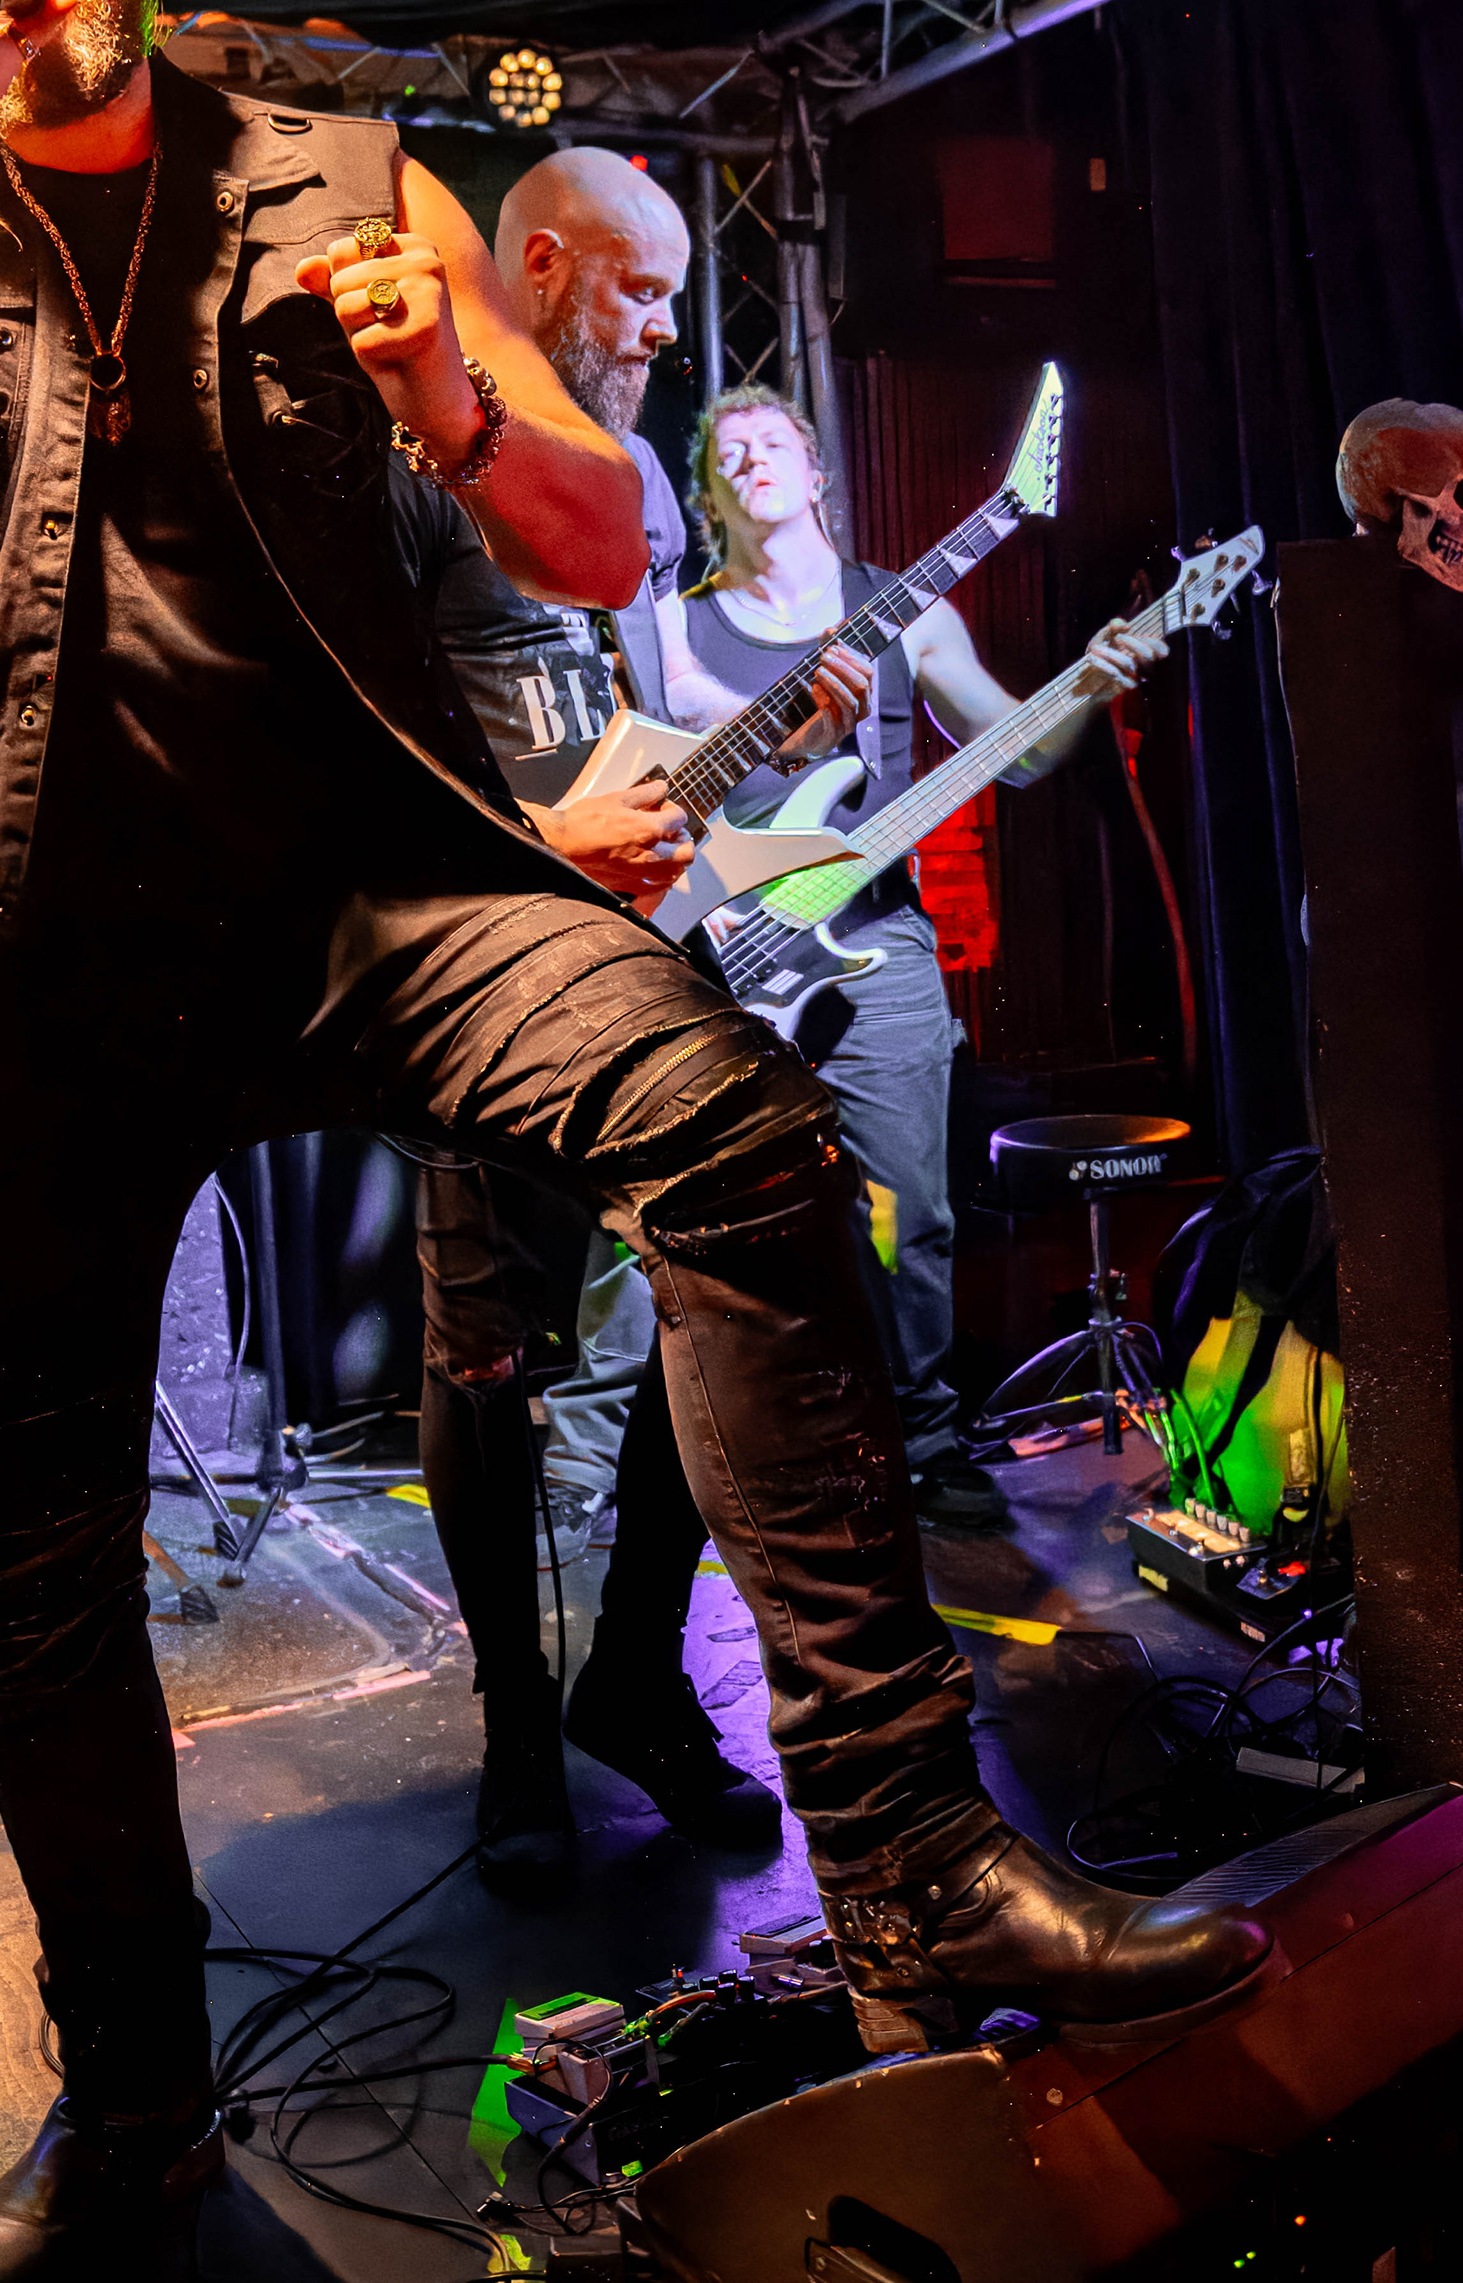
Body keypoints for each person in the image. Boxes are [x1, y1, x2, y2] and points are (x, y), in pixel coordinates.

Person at [0, 0, 1269, 2283]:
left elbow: (602, 535)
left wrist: (444, 392)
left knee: (730, 1127)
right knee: (44, 1537)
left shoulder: (341, 173)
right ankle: (142, 2101)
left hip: (371, 886)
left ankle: (910, 1858)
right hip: (23, 950)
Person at [399, 147, 875, 1887]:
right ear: (538, 264)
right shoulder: (412, 452)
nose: (671, 329)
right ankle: (516, 1725)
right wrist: (537, 842)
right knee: (483, 1356)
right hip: (473, 956)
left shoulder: (638, 480)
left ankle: (638, 1675)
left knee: (726, 1270)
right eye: (642, 289)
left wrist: (774, 735)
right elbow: (359, 752)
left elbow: (644, 731)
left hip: (631, 953)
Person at [681, 383, 1166, 1525]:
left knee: (912, 1213)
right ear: (708, 497)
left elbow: (1020, 752)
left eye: (772, 441)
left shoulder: (903, 610)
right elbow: (651, 800)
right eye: (727, 453)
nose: (751, 458)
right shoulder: (672, 627)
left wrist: (1087, 684)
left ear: (816, 474)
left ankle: (928, 1443)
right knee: (699, 1216)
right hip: (719, 947)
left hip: (873, 943)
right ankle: (690, 1457)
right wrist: (693, 904)